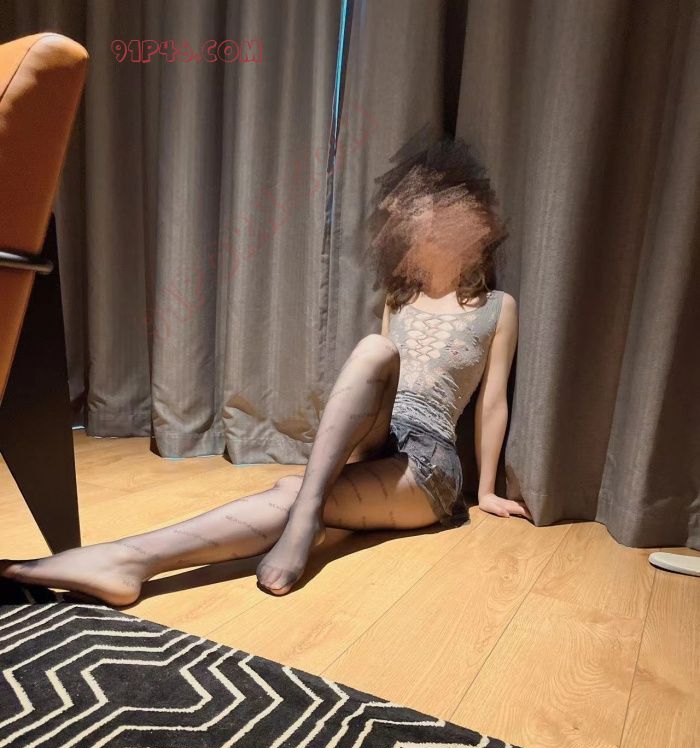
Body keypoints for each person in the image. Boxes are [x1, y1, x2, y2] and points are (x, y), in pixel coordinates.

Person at [0, 137, 531, 606]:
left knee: (289, 493)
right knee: (374, 349)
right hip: (378, 438)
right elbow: (376, 388)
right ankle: (300, 513)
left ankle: (125, 560)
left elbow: (492, 403)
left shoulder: (496, 307)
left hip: (428, 459)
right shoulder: (401, 300)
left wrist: (485, 489)